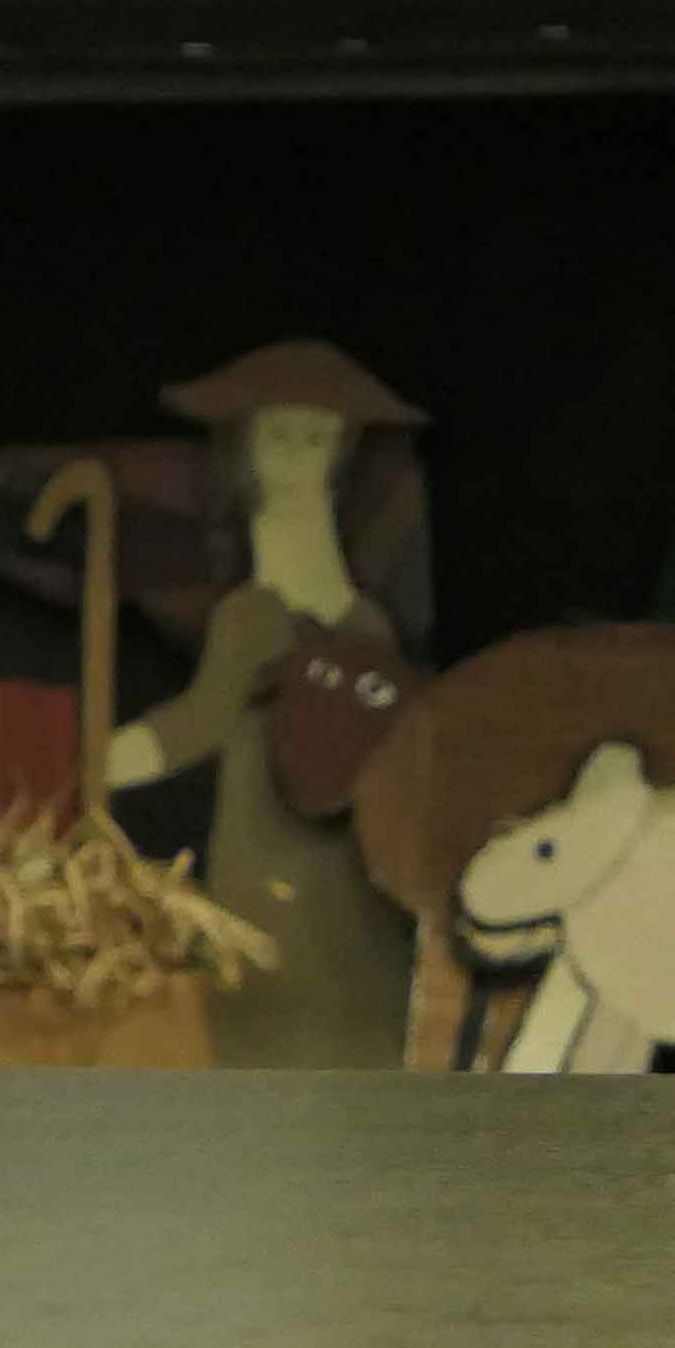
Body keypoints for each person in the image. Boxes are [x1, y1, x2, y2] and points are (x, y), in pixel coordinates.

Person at [106, 339, 432, 1070]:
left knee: (350, 994)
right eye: (280, 435)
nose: (297, 455)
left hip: (348, 857)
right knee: (267, 1006)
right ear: (248, 447)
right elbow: (204, 716)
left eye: (316, 438)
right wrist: (108, 759)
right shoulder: (250, 615)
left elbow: (200, 721)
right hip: (261, 839)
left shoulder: (356, 622)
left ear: (340, 451)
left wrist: (110, 758)